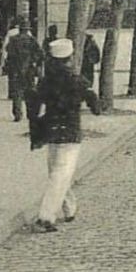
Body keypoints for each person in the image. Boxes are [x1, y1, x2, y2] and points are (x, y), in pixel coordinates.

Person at [28, 38, 103, 232]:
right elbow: (94, 102)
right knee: (61, 174)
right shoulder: (77, 80)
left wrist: (35, 132)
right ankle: (45, 218)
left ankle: (69, 208)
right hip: (70, 132)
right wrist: (96, 107)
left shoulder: (46, 81)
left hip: (51, 132)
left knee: (57, 172)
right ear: (70, 58)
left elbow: (34, 105)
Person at [2, 22, 43, 122]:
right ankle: (31, 113)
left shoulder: (13, 40)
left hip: (16, 69)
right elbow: (40, 54)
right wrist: (34, 62)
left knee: (17, 92)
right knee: (30, 91)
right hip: (29, 70)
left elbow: (8, 52)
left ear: (20, 29)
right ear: (27, 30)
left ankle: (17, 113)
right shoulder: (32, 40)